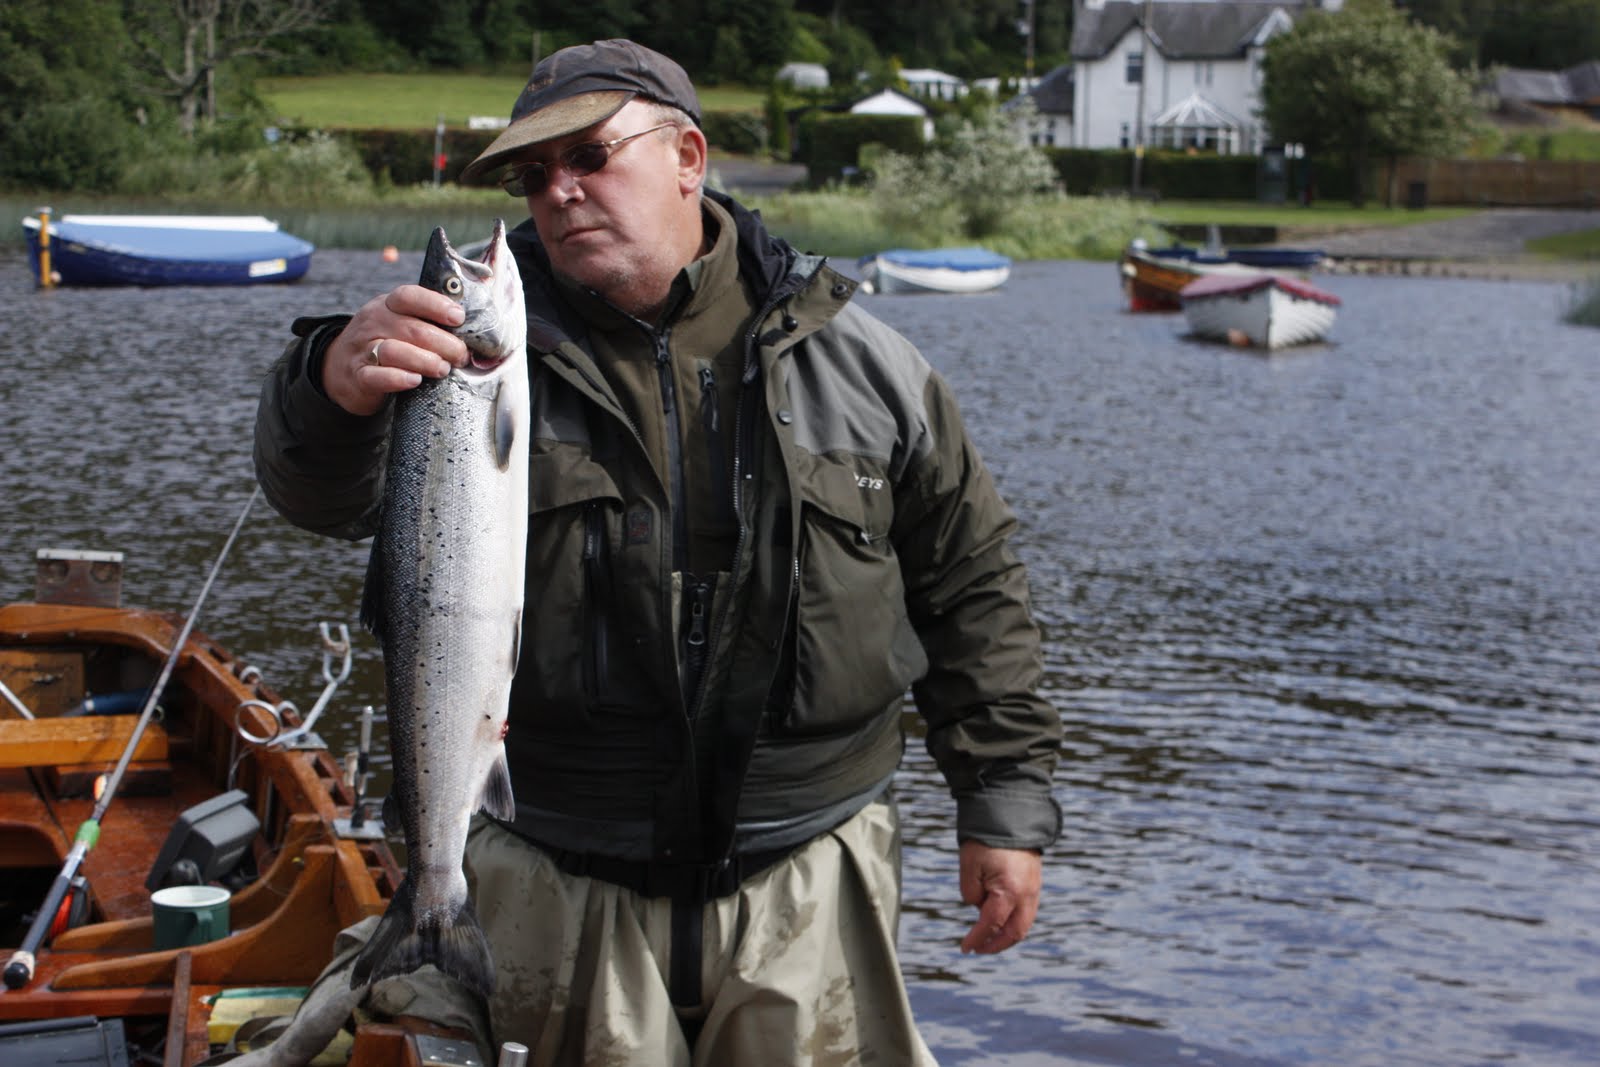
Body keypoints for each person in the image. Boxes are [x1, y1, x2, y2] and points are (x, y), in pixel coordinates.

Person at [254, 38, 1062, 1067]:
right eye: (533, 175)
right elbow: (316, 492)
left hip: (811, 879)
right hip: (550, 875)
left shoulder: (868, 363)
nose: (558, 192)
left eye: (589, 155)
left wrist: (1002, 805)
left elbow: (973, 588)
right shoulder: (448, 356)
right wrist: (327, 383)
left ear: (687, 155)